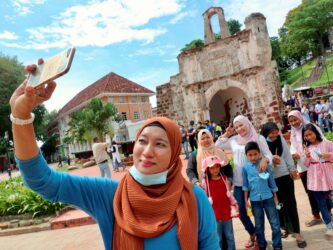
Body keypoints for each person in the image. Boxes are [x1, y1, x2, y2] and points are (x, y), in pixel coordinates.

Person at [10, 63, 220, 249]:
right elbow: (42, 181)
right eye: (142, 141)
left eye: (160, 144)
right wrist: (21, 117)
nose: (147, 151)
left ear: (174, 154)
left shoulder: (193, 199)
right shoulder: (111, 196)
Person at [215, 115, 272, 248]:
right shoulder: (234, 140)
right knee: (240, 211)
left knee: (258, 213)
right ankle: (253, 233)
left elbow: (268, 154)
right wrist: (227, 133)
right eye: (236, 127)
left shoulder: (259, 138)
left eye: (241, 125)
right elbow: (218, 145)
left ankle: (260, 240)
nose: (239, 129)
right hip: (240, 183)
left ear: (247, 123)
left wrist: (265, 160)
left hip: (256, 182)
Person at [261, 122, 307, 248]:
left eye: (276, 132)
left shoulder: (280, 139)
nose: (275, 135)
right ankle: (284, 227)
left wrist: (292, 169)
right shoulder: (262, 143)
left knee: (291, 203)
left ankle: (297, 232)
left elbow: (287, 155)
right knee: (278, 205)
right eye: (272, 133)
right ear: (265, 133)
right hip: (271, 179)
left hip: (285, 176)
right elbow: (260, 160)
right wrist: (270, 160)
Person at [302, 123, 333, 240]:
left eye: (310, 134)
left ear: (316, 132)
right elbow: (306, 164)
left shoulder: (327, 143)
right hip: (316, 183)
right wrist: (307, 156)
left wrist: (328, 154)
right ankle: (329, 227)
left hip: (329, 181)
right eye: (306, 136)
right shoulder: (307, 149)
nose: (309, 137)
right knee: (322, 205)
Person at [288, 110, 332, 227]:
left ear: (300, 117)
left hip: (315, 164)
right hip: (303, 166)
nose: (293, 123)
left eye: (295, 119)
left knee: (324, 188)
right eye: (291, 121)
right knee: (310, 192)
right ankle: (316, 215)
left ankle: (328, 211)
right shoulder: (293, 133)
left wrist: (323, 155)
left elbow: (322, 140)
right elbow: (292, 146)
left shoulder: (311, 127)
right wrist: (294, 153)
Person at [242, 141, 282, 250]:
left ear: (259, 153)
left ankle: (277, 246)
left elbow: (272, 181)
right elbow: (245, 186)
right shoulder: (245, 168)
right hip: (255, 201)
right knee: (259, 226)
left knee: (275, 224)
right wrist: (246, 200)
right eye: (250, 155)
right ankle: (262, 245)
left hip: (268, 198)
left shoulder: (264, 165)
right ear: (246, 155)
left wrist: (275, 197)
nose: (253, 157)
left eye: (255, 154)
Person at [201, 155, 238, 250]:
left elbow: (229, 194)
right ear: (207, 169)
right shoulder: (205, 182)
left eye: (217, 166)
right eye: (212, 168)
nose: (215, 170)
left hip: (226, 212)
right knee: (218, 238)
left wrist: (234, 203)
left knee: (229, 235)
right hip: (214, 214)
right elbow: (204, 199)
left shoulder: (225, 179)